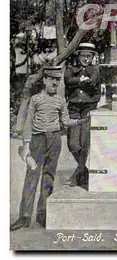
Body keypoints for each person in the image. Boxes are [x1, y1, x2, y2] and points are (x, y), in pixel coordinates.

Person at [10, 66, 87, 231]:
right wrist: (27, 143)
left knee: (49, 177)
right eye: (51, 79)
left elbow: (65, 121)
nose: (55, 82)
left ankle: (42, 214)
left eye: (57, 79)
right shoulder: (36, 99)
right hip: (37, 140)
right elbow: (29, 122)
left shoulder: (60, 100)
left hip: (55, 140)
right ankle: (24, 216)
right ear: (44, 80)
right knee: (32, 176)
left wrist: (80, 121)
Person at [64, 43, 100, 188]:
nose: (86, 58)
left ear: (92, 57)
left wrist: (75, 82)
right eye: (83, 55)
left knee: (84, 143)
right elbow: (67, 80)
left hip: (88, 108)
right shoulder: (71, 69)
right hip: (73, 108)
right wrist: (80, 80)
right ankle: (83, 171)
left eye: (89, 56)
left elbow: (92, 83)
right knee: (73, 144)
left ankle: (78, 174)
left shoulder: (95, 69)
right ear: (78, 56)